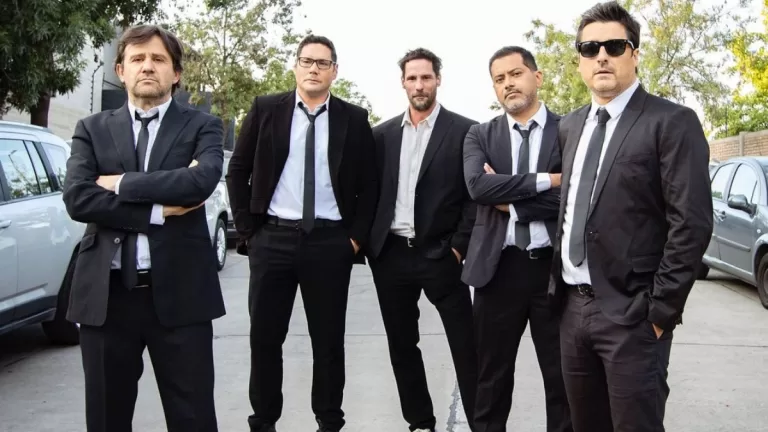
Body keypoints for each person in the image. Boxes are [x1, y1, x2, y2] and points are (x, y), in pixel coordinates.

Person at [549, 2, 714, 431]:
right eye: (589, 48)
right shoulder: (569, 126)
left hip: (634, 316)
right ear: (579, 60)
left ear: (634, 54)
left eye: (614, 46)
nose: (601, 56)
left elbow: (691, 223)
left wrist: (660, 312)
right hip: (572, 309)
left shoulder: (671, 122)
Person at [62, 24, 225, 432]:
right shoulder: (91, 129)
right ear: (121, 70)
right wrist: (157, 211)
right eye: (137, 59)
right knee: (106, 419)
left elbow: (200, 182)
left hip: (182, 297)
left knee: (194, 419)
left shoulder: (203, 126)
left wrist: (119, 183)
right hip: (107, 298)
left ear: (176, 72)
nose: (147, 66)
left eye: (158, 59)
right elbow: (78, 198)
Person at [225, 35, 378, 432]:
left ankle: (329, 421)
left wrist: (354, 239)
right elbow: (237, 170)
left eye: (322, 63)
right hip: (272, 239)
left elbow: (370, 185)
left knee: (328, 342)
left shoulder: (353, 118)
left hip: (330, 242)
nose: (314, 69)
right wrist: (249, 232)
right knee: (265, 339)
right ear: (295, 66)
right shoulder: (265, 109)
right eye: (307, 61)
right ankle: (263, 421)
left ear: (334, 71)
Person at [367, 48, 478, 432]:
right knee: (402, 346)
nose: (419, 85)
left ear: (438, 80)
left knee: (466, 346)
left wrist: (458, 247)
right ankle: (420, 422)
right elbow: (368, 193)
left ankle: (482, 423)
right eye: (412, 78)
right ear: (403, 82)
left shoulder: (466, 131)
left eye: (426, 77)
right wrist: (371, 246)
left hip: (442, 255)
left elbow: (474, 196)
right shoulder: (380, 136)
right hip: (391, 256)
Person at [462, 46, 572, 432]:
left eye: (516, 73)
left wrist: (512, 203)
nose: (508, 83)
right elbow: (478, 187)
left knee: (562, 380)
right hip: (498, 271)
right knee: (491, 380)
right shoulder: (480, 134)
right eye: (499, 79)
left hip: (554, 272)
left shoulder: (570, 130)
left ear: (536, 77)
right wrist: (549, 180)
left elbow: (575, 194)